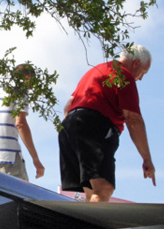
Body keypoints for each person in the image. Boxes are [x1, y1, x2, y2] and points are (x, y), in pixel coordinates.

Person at [59, 45, 156, 202]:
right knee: (102, 189)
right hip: (95, 125)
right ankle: (93, 227)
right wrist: (146, 159)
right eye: (143, 72)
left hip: (69, 127)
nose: (140, 78)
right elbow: (133, 119)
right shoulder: (122, 74)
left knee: (83, 194)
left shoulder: (95, 71)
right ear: (136, 63)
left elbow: (67, 107)